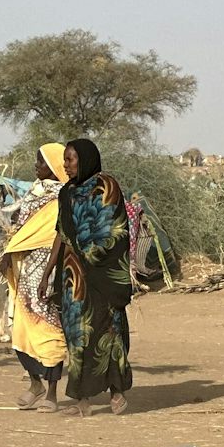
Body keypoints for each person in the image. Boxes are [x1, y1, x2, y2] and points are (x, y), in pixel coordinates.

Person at [51, 137, 133, 414]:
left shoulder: (106, 187)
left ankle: (117, 393)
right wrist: (49, 272)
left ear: (84, 159)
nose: (66, 165)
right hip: (73, 277)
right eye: (64, 160)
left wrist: (91, 253)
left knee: (109, 331)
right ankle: (82, 400)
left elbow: (115, 230)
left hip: (103, 274)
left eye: (70, 159)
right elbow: (61, 235)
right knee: (76, 332)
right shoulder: (66, 193)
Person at [3, 144, 70, 411]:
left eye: (41, 162)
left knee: (48, 326)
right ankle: (35, 384)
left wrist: (44, 273)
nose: (36, 166)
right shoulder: (34, 191)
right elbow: (22, 228)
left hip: (47, 267)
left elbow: (54, 234)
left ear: (54, 168)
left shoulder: (63, 197)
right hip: (23, 265)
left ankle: (52, 392)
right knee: (20, 328)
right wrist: (9, 252)